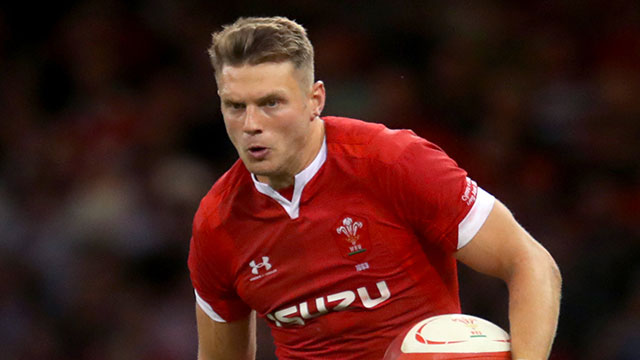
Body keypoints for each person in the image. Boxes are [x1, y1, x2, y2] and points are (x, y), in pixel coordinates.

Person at [188, 16, 562, 360]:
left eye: (271, 103)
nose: (251, 123)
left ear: (314, 100)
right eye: (235, 106)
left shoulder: (394, 163)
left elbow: (530, 262)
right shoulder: (217, 222)